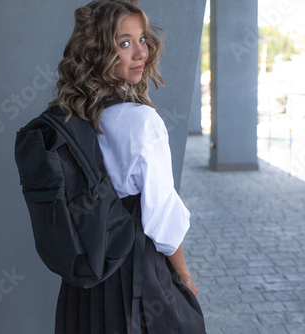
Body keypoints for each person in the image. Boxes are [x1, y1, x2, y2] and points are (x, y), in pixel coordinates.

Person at [50, 1, 206, 333]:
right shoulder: (141, 120)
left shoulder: (68, 115)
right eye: (124, 43)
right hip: (135, 276)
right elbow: (161, 217)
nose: (140, 53)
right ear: (98, 51)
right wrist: (184, 276)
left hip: (84, 282)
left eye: (142, 40)